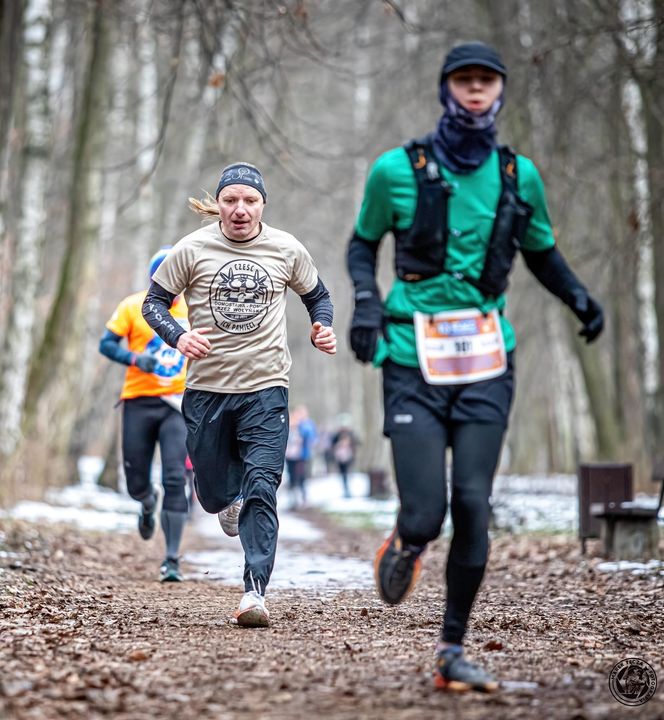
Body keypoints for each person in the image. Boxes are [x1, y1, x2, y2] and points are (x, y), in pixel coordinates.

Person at [346, 42, 604, 692]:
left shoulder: (520, 177)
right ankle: (406, 544)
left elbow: (541, 252)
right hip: (411, 357)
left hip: (487, 359)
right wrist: (367, 308)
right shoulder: (396, 170)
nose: (475, 91)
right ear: (446, 89)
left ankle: (450, 650)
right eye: (464, 80)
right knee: (428, 511)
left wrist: (579, 298)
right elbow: (360, 244)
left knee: (474, 504)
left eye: (486, 81)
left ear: (500, 92)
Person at [142, 162, 336, 627]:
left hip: (267, 389)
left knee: (263, 486)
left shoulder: (286, 248)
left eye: (250, 200)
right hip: (207, 389)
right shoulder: (192, 249)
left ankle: (254, 591)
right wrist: (178, 336)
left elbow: (318, 296)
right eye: (231, 200)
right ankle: (225, 502)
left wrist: (321, 326)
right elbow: (153, 303)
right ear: (219, 205)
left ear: (263, 204)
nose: (241, 209)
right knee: (210, 492)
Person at [99, 247, 190, 583]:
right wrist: (137, 360)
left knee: (175, 477)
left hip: (177, 405)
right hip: (138, 400)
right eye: (162, 277)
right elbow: (106, 345)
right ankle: (146, 500)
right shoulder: (133, 305)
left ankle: (171, 560)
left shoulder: (195, 307)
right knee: (136, 478)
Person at [285, 405, 317, 508]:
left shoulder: (306, 425)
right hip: (290, 456)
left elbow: (311, 438)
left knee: (302, 477)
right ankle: (293, 499)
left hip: (302, 456)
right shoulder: (288, 424)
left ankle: (304, 498)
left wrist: (300, 426)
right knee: (291, 477)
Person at [330, 416, 358, 498]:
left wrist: (350, 445)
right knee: (343, 474)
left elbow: (357, 442)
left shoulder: (351, 434)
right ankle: (346, 489)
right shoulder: (337, 435)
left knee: (349, 473)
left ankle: (349, 489)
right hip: (341, 458)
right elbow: (332, 444)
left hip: (349, 457)